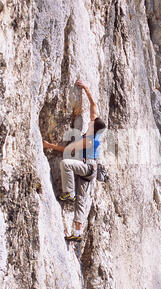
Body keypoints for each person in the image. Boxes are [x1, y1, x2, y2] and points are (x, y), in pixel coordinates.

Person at [43, 80, 106, 242]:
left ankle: (69, 193)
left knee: (66, 164)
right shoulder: (95, 129)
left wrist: (49, 145)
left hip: (88, 167)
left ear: (94, 127)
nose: (90, 122)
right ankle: (77, 235)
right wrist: (86, 88)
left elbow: (68, 150)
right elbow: (94, 106)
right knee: (82, 201)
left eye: (92, 123)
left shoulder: (90, 140)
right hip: (90, 170)